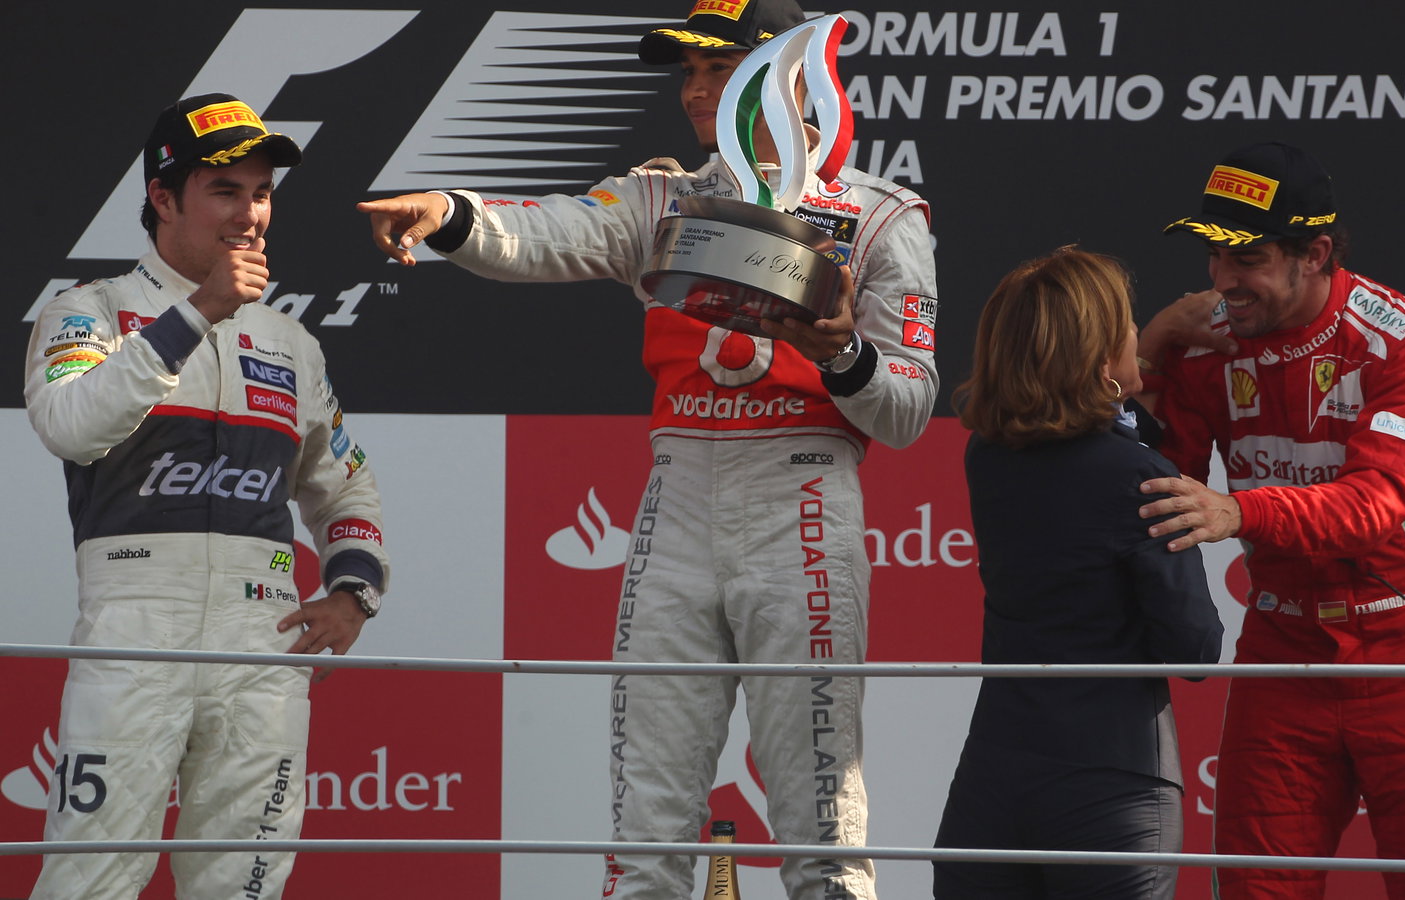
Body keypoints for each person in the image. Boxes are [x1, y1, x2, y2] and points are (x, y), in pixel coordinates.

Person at [356, 1, 937, 897]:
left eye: (720, 67)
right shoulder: (661, 195)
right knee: (645, 838)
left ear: (787, 74)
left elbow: (906, 411)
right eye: (690, 72)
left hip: (806, 495)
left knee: (824, 833)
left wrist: (841, 353)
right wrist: (450, 212)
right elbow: (546, 234)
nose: (698, 89)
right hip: (680, 497)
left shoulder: (881, 215)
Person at [24, 93, 389, 900]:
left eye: (261, 193)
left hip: (261, 637)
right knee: (90, 877)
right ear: (162, 198)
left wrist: (353, 590)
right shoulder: (89, 311)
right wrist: (198, 313)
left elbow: (345, 482)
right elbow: (72, 426)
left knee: (245, 882)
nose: (251, 214)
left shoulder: (293, 345)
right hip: (133, 624)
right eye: (226, 192)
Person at [1136, 142, 1405, 898]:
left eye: (1249, 260)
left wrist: (1239, 511)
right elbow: (1150, 482)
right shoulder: (1207, 343)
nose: (1223, 280)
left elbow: (1373, 506)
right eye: (1214, 256)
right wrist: (1148, 349)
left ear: (1316, 253)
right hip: (1282, 650)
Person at [932, 246, 1222, 899]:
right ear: (1097, 361)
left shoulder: (987, 456)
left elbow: (1086, 429)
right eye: (1127, 324)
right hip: (1111, 788)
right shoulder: (1140, 477)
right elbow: (1195, 647)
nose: (1135, 336)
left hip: (993, 787)